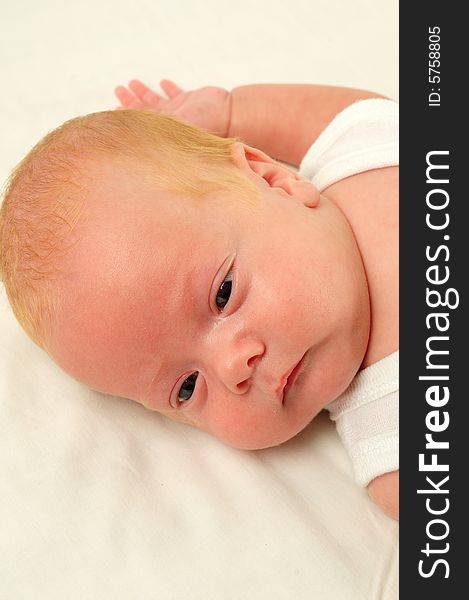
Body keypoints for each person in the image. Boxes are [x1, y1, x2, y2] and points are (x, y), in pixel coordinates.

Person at [0, 80, 399, 519]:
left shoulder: (361, 154)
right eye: (187, 388)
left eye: (224, 294)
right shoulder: (390, 436)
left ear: (277, 181)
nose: (232, 368)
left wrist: (228, 113)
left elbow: (338, 114)